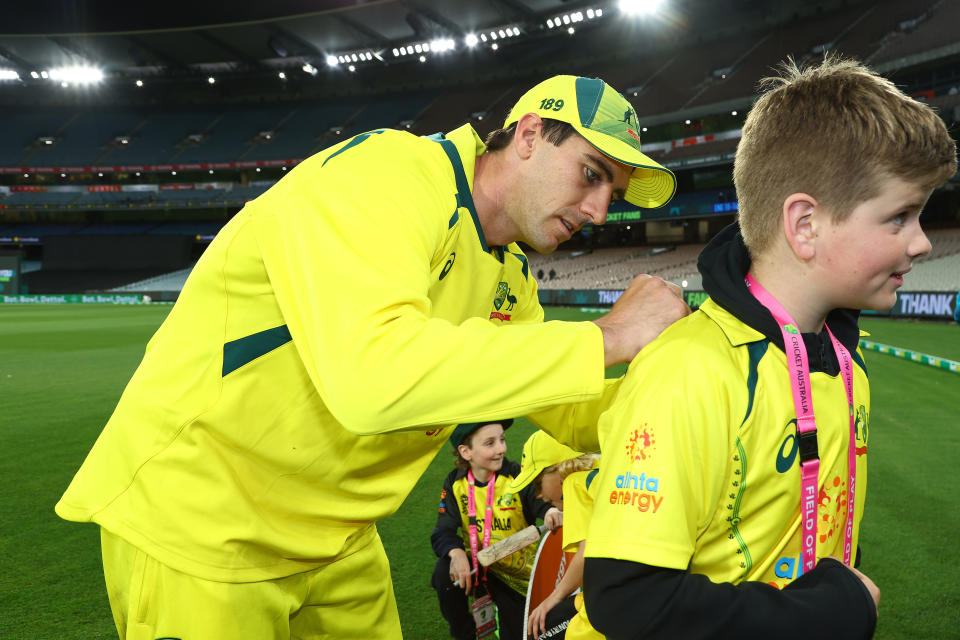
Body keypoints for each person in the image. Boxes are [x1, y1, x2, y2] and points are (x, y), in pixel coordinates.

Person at [54, 74, 689, 639]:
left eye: (615, 190)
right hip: (203, 520)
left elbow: (563, 400)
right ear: (528, 135)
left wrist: (697, 410)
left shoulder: (509, 273)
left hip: (337, 537)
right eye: (591, 173)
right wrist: (605, 337)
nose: (601, 210)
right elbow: (372, 378)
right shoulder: (389, 173)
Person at [582, 55, 957, 639]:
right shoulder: (690, 371)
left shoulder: (845, 362)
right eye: (900, 217)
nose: (922, 242)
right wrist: (819, 616)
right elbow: (629, 600)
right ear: (805, 225)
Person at [431, 420, 561, 640]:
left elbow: (540, 501)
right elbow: (442, 531)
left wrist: (549, 512)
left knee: (523, 634)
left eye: (502, 440)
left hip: (517, 579)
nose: (501, 448)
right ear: (466, 451)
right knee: (444, 573)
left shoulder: (516, 475)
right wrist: (456, 553)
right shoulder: (455, 483)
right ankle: (466, 635)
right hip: (479, 566)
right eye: (490, 443)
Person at [505, 430, 601, 640]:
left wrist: (553, 598)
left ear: (560, 468)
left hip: (610, 601)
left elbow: (588, 553)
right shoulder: (601, 470)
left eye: (538, 483)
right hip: (648, 589)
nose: (539, 495)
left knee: (539, 632)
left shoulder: (574, 483)